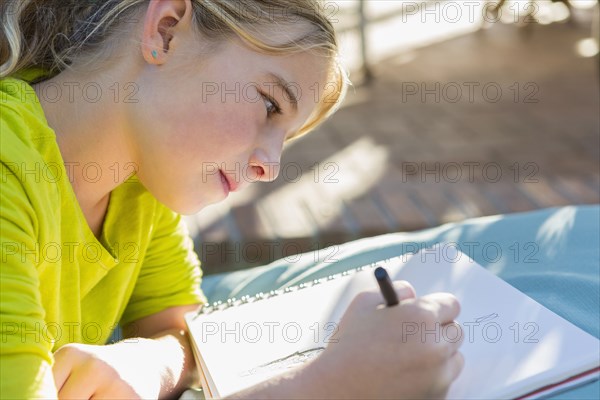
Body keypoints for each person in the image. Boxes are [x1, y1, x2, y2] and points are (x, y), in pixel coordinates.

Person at [0, 0, 464, 398]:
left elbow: (180, 328)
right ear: (165, 31)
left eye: (285, 137)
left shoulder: (140, 178)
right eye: (268, 105)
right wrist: (333, 385)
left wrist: (151, 362)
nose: (271, 166)